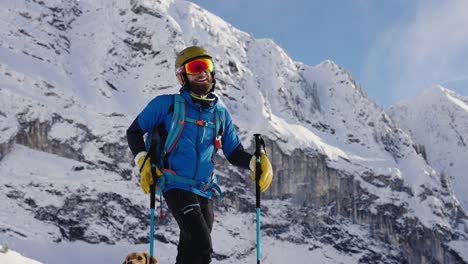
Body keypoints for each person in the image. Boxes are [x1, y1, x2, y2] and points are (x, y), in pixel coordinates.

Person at [126, 46, 273, 264]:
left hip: (205, 189)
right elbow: (134, 132)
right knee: (202, 244)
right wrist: (143, 161)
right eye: (196, 67)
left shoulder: (220, 115)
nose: (203, 72)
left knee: (190, 249)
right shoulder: (165, 105)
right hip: (175, 184)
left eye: (207, 67)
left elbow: (233, 152)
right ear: (182, 76)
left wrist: (255, 162)